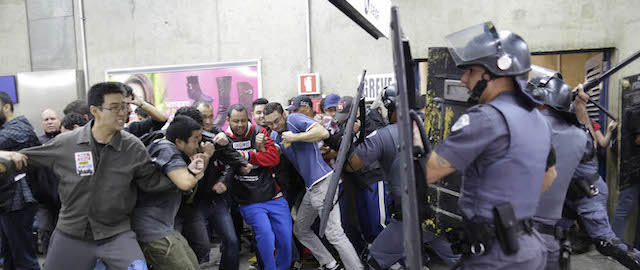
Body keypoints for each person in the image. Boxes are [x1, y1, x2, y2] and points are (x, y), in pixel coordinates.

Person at [419, 22, 556, 269]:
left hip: (495, 256)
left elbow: (429, 172)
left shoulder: (485, 118)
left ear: (493, 73)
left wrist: (414, 141)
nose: (463, 79)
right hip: (528, 247)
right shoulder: (539, 119)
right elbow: (549, 174)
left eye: (469, 71)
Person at [4, 82, 177, 269]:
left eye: (125, 107)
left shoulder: (133, 147)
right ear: (95, 110)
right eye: (114, 107)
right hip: (71, 234)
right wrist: (4, 155)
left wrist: (186, 172)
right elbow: (23, 159)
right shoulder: (66, 143)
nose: (123, 113)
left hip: (116, 234)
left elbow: (151, 182)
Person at [346, 88, 459, 269]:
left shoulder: (385, 135)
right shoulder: (440, 125)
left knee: (374, 261)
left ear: (392, 108)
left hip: (411, 218)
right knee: (462, 260)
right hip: (443, 214)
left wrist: (346, 138)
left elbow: (352, 164)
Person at [265, 102, 363, 270]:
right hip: (311, 188)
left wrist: (295, 137)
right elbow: (273, 153)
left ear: (283, 115)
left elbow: (322, 132)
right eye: (270, 124)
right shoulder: (275, 135)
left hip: (323, 181)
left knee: (334, 233)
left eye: (276, 121)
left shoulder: (294, 120)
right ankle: (331, 264)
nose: (274, 126)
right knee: (300, 229)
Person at [560, 84, 640, 269]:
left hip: (588, 192)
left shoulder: (578, 133)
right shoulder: (552, 126)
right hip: (567, 193)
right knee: (554, 235)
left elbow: (596, 142)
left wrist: (581, 105)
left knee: (606, 242)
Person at [524, 73, 589, 269]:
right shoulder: (580, 137)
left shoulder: (523, 127)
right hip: (554, 240)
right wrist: (580, 106)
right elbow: (589, 143)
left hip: (518, 239)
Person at [132, 115, 214, 270]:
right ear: (179, 142)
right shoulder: (167, 149)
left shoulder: (162, 146)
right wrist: (201, 166)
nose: (198, 144)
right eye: (195, 140)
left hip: (164, 227)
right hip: (152, 231)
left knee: (194, 264)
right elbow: (185, 183)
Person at [224, 104, 292, 270]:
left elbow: (273, 158)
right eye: (235, 121)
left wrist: (247, 156)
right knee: (266, 237)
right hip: (249, 199)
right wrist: (254, 156)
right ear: (228, 120)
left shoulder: (259, 132)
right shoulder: (223, 138)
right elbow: (226, 161)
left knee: (285, 239)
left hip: (274, 195)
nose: (240, 125)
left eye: (243, 120)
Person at [0, 91, 41, 270]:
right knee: (8, 256)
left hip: (18, 202)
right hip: (7, 201)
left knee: (24, 258)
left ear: (7, 107)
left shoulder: (18, 129)